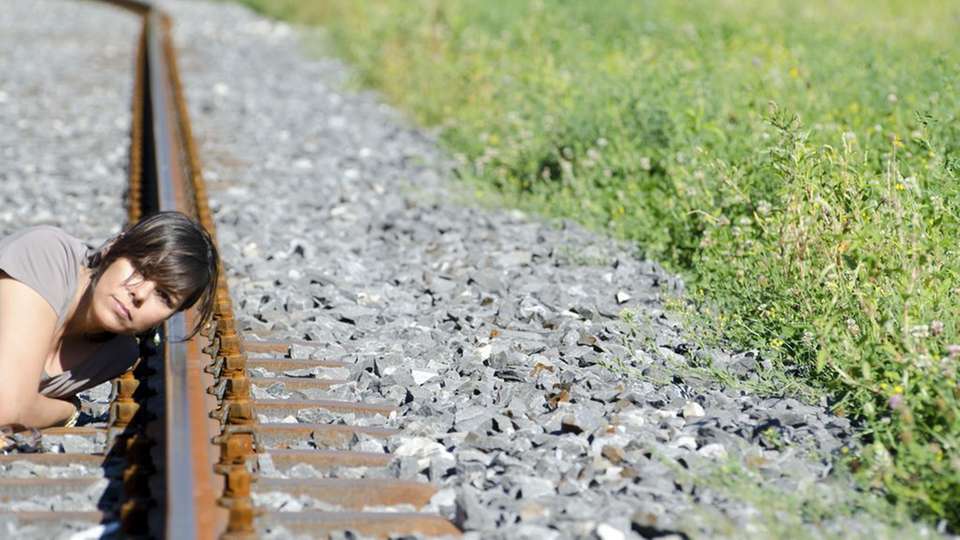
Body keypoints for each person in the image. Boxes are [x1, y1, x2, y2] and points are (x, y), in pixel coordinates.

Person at [0, 211, 219, 430]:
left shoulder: (116, 355)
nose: (140, 294)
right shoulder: (46, 255)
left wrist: (26, 406)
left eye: (163, 296)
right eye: (141, 269)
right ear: (114, 247)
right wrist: (69, 411)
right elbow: (7, 410)